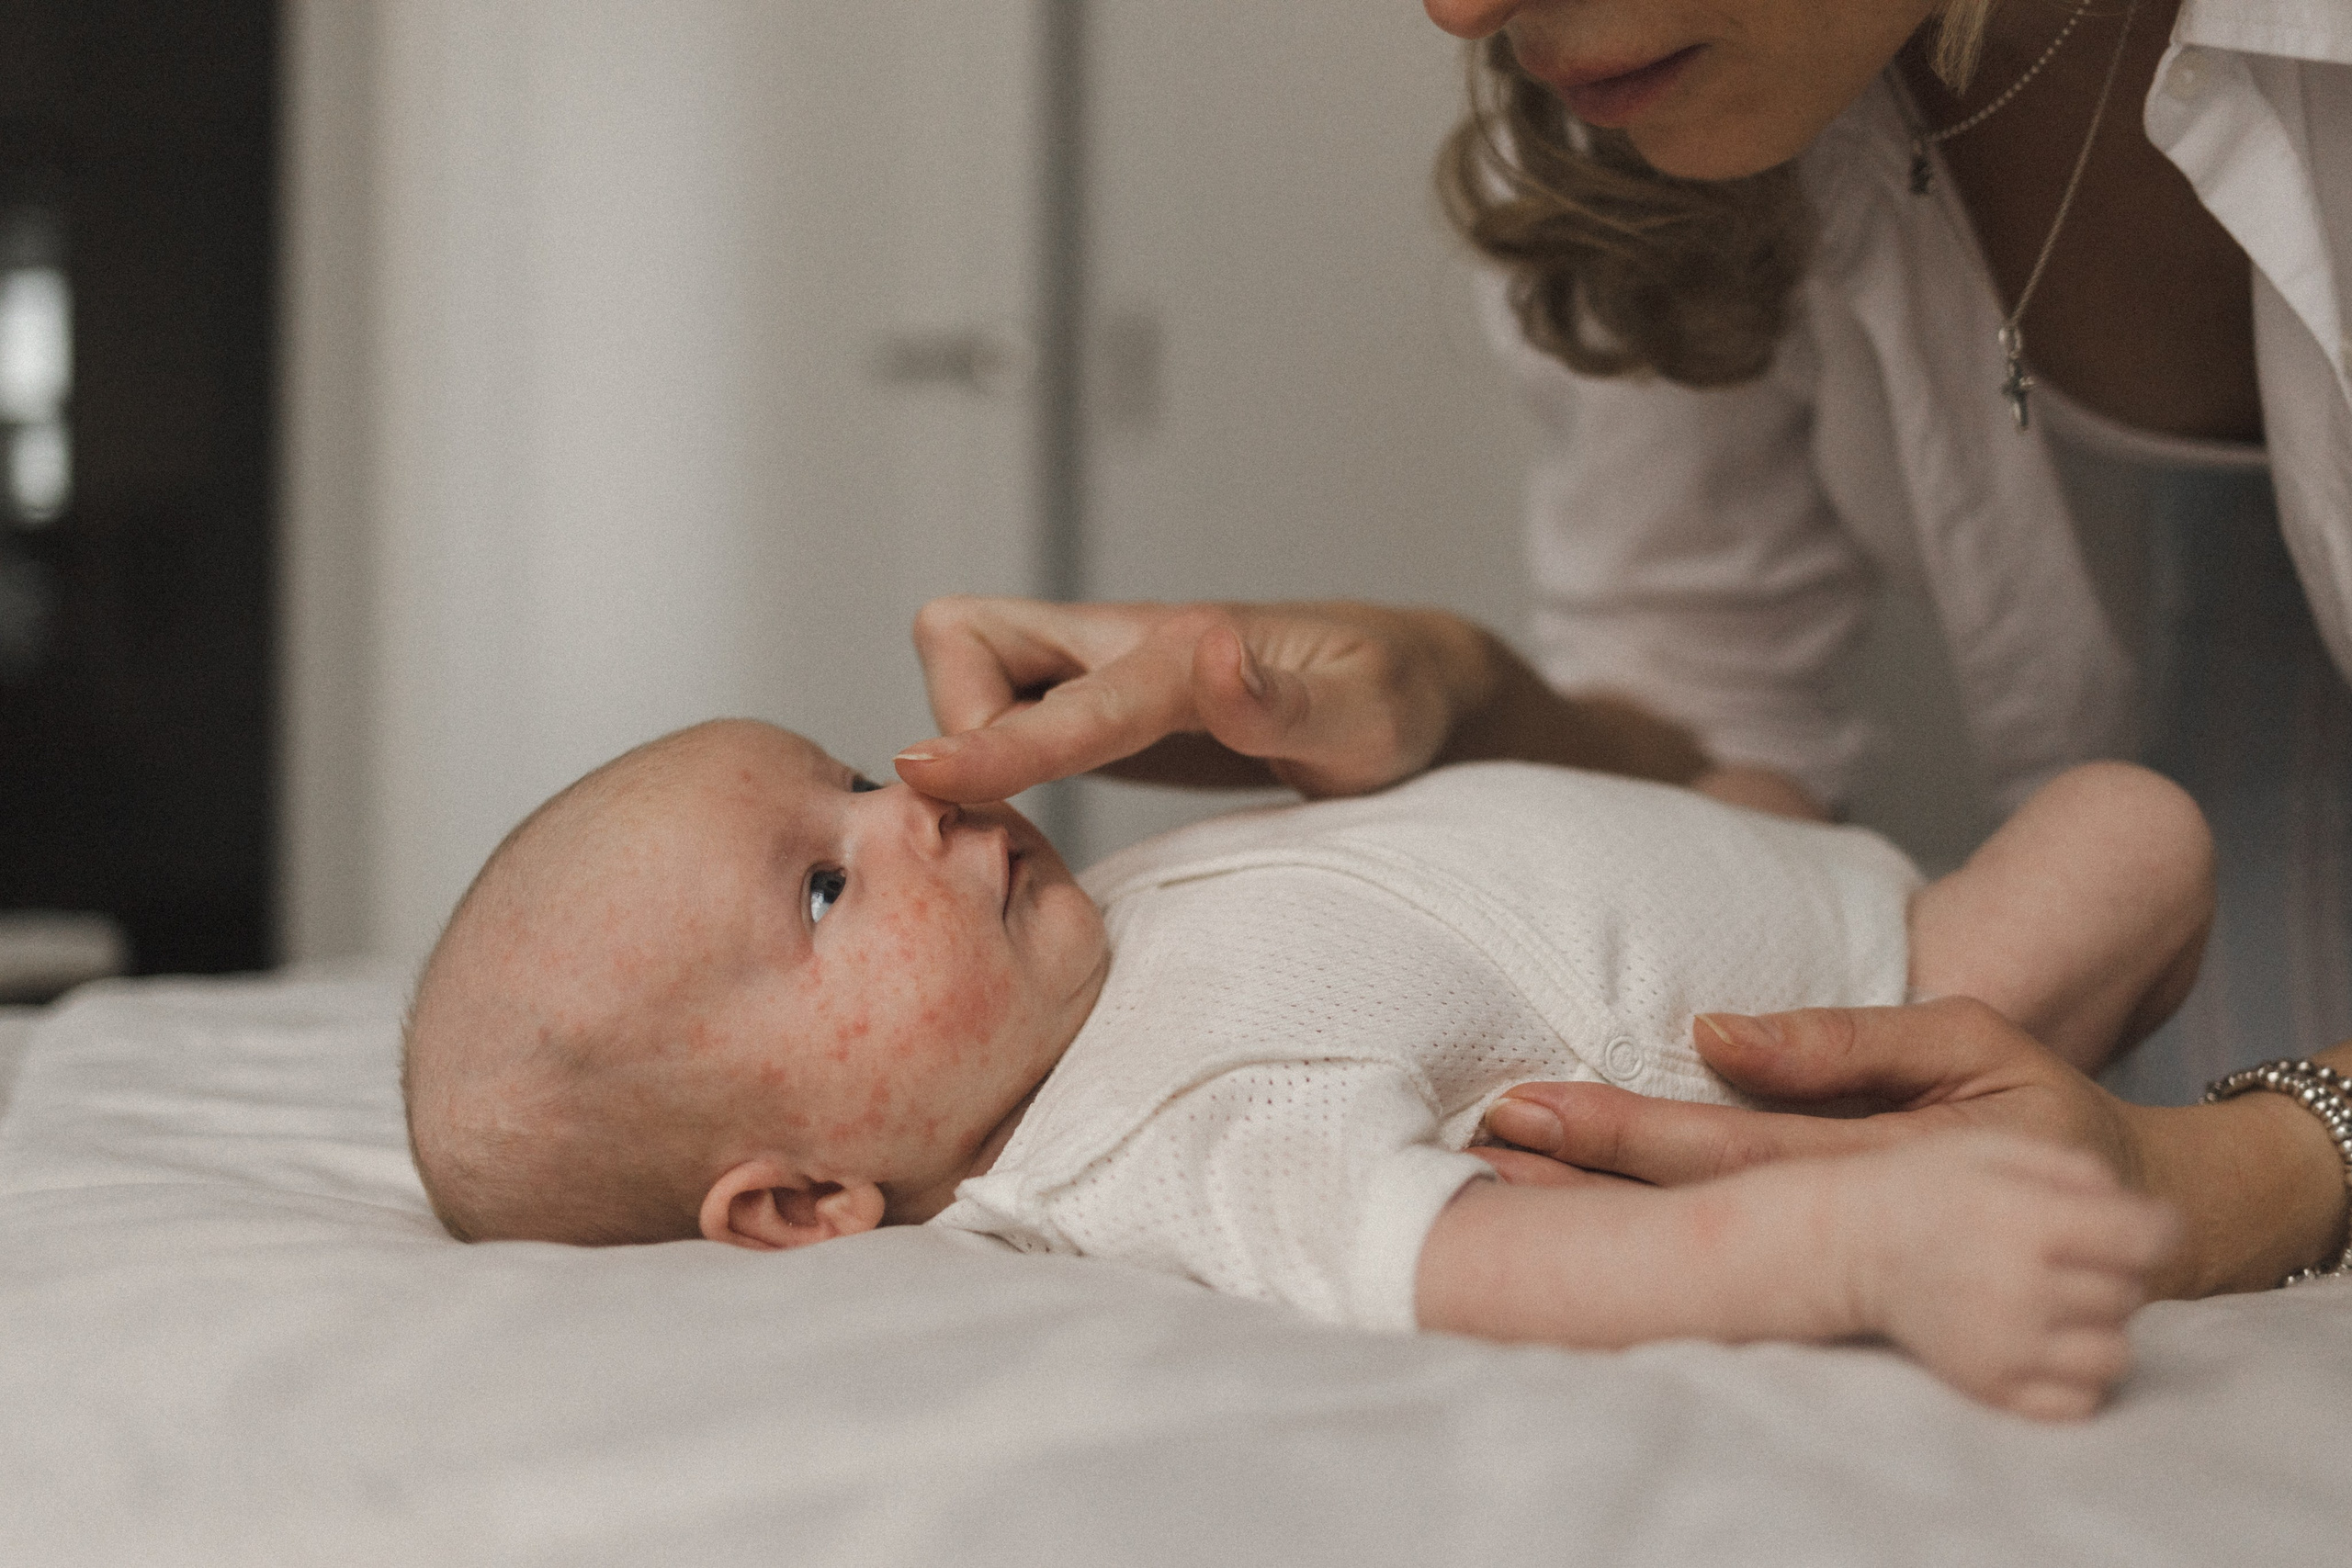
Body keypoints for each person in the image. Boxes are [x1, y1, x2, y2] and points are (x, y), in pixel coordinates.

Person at [889, 0, 2352, 1295]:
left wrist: (2246, 1172)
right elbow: (1721, 745)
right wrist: (1460, 697)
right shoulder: (1654, 120)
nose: (1459, 13)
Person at [403, 719, 2206, 1419]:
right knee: (2128, 825)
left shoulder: (1065, 947)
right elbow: (1491, 1263)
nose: (921, 805)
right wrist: (1864, 1247)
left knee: (1745, 766)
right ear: (803, 1199)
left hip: (1745, 839)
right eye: (822, 879)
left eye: (851, 779)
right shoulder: (1165, 1132)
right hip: (1891, 981)